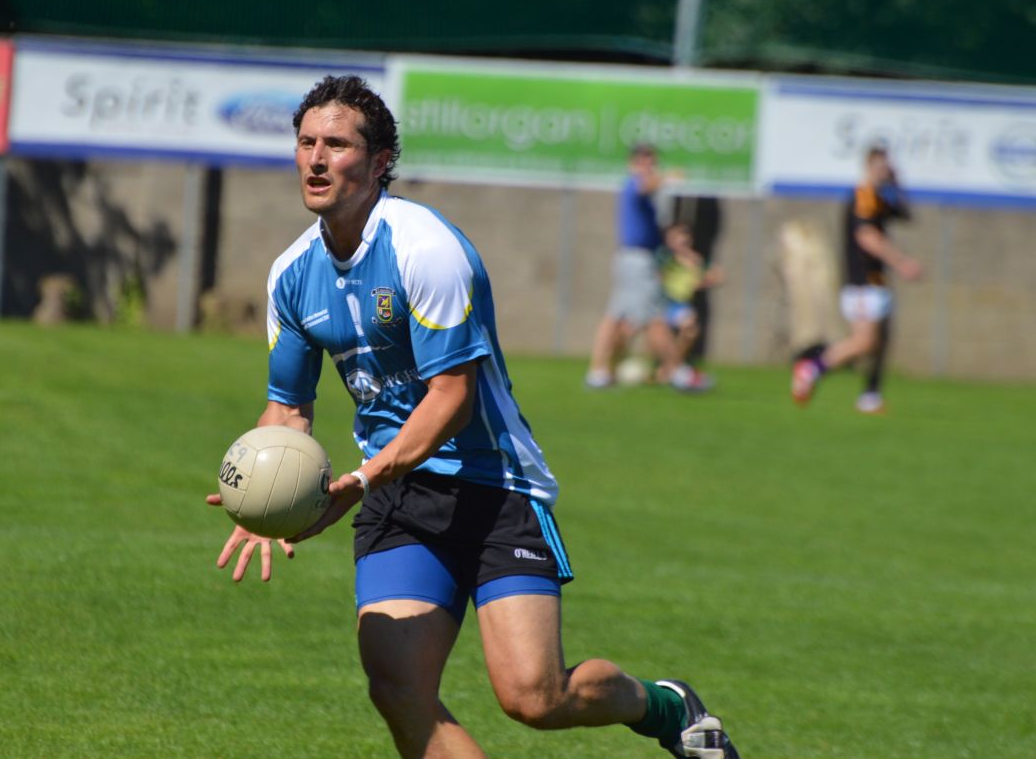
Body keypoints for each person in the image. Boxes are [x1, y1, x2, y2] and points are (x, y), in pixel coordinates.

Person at [205, 76, 739, 759]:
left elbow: (451, 399)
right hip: (397, 496)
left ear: (378, 162)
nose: (315, 158)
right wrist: (265, 487)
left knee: (533, 696)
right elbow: (288, 406)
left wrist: (361, 479)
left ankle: (667, 706)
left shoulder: (426, 249)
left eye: (335, 144)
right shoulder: (291, 274)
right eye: (306, 141)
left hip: (493, 485)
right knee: (398, 687)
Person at [792, 145, 922, 412]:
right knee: (864, 341)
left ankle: (870, 395)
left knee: (880, 341)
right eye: (880, 167)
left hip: (876, 281)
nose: (884, 171)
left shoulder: (880, 198)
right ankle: (812, 367)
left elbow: (907, 215)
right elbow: (867, 237)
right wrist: (902, 262)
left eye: (887, 167)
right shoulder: (863, 197)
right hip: (862, 282)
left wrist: (897, 185)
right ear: (869, 167)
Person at [585, 144, 710, 392]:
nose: (649, 167)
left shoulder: (645, 193)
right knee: (653, 317)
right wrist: (668, 177)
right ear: (633, 164)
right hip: (637, 261)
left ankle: (598, 370)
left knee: (618, 315)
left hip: (637, 260)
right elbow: (646, 185)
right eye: (644, 162)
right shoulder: (635, 183)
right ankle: (677, 371)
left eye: (652, 162)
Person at [658, 222, 724, 365]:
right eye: (676, 238)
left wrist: (701, 282)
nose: (682, 243)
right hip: (661, 302)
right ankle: (667, 366)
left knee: (690, 330)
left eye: (685, 240)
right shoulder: (663, 256)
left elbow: (718, 276)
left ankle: (672, 366)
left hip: (679, 304)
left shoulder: (694, 260)